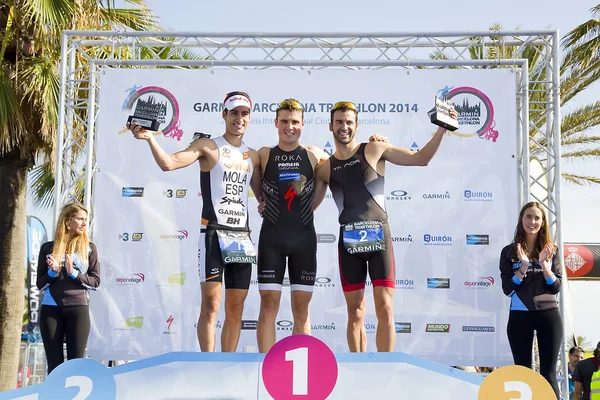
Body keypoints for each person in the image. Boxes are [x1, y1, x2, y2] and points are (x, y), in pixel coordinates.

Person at [313, 101, 457, 352]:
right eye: (339, 122)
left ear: (356, 125)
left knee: (385, 308)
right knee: (355, 313)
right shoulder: (324, 168)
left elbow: (420, 159)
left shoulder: (375, 148)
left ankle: (385, 368)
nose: (344, 127)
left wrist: (442, 129)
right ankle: (359, 368)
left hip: (379, 236)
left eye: (349, 122)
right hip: (348, 242)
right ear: (330, 126)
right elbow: (311, 205)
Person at [129, 91, 262, 352]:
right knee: (212, 305)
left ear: (249, 118)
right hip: (212, 234)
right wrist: (150, 138)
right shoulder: (208, 146)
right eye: (234, 113)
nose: (239, 118)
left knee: (236, 306)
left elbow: (261, 197)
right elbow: (169, 163)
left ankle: (228, 363)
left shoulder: (254, 155)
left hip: (241, 238)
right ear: (224, 115)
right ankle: (209, 365)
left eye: (244, 114)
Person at [255, 98, 388, 353]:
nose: (289, 127)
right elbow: (251, 181)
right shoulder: (263, 154)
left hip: (303, 238)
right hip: (271, 237)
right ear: (276, 123)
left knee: (302, 310)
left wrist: (376, 143)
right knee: (268, 306)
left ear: (303, 124)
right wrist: (262, 200)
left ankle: (300, 370)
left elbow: (349, 162)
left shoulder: (315, 155)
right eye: (284, 121)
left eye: (294, 122)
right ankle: (265, 370)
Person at [499, 201, 563, 398]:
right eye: (528, 216)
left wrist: (544, 265)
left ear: (543, 222)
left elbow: (556, 287)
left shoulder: (552, 251)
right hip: (520, 316)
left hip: (548, 316)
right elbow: (508, 290)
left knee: (548, 375)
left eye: (537, 218)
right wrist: (523, 267)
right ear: (521, 219)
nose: (532, 221)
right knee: (523, 373)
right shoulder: (509, 252)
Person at [36, 202, 100, 373]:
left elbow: (95, 282)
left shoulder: (89, 249)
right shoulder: (48, 248)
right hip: (51, 310)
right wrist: (52, 273)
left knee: (76, 367)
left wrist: (73, 273)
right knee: (55, 367)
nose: (85, 223)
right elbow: (40, 285)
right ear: (67, 221)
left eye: (86, 219)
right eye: (80, 219)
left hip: (78, 310)